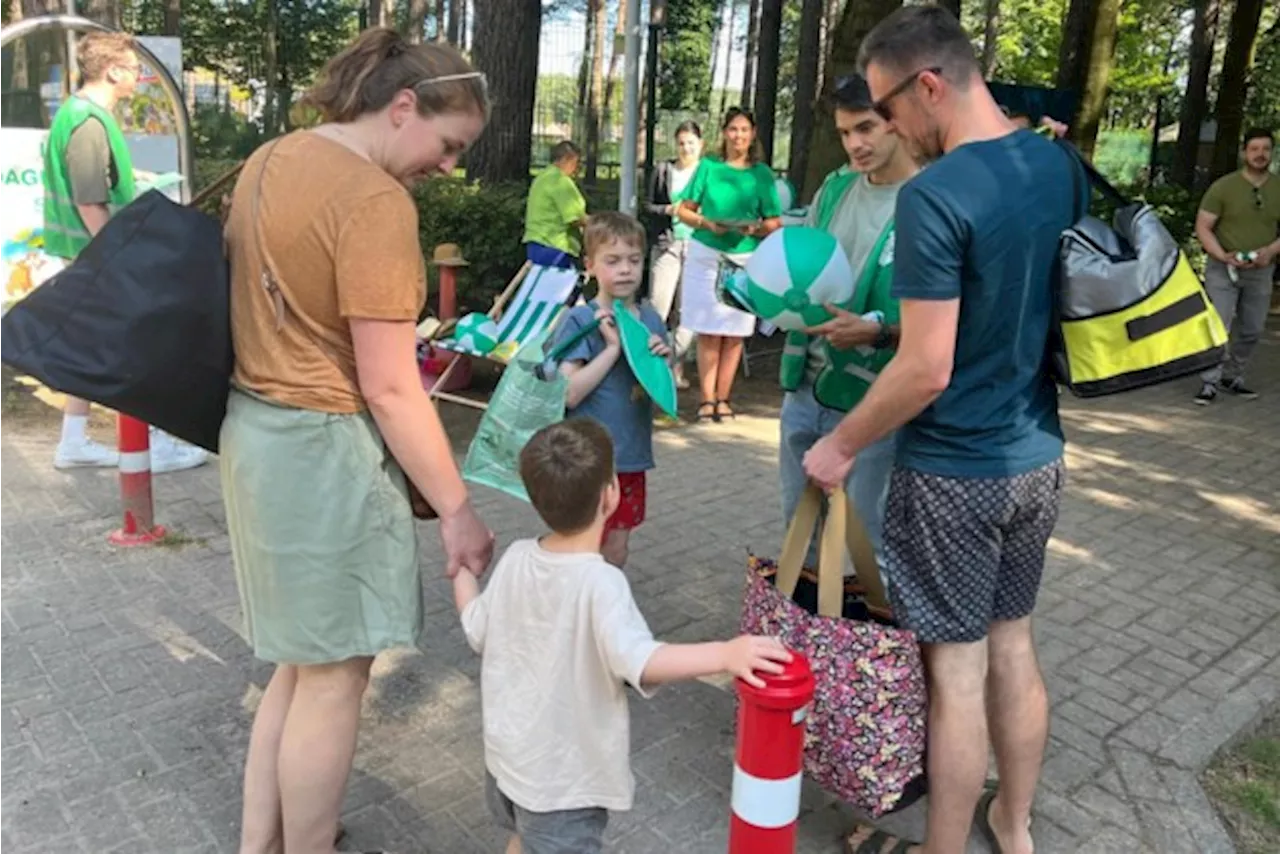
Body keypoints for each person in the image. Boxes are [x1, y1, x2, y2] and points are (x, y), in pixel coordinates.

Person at [802, 7, 1084, 854]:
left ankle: (944, 847)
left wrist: (840, 443)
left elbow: (926, 366)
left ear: (929, 85)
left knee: (955, 672)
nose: (886, 128)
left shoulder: (934, 197)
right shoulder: (1056, 163)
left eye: (888, 109)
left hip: (956, 471)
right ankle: (1017, 823)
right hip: (1037, 456)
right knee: (1014, 644)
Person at [219, 28, 495, 854]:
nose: (449, 166)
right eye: (448, 145)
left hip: (254, 433)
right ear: (402, 106)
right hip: (324, 452)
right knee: (336, 677)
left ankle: (257, 844)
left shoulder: (272, 156)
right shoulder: (376, 202)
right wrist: (457, 510)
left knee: (298, 664)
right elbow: (387, 383)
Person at [452, 418, 791, 854]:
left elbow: (474, 626)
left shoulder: (517, 558)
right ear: (610, 494)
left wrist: (461, 570)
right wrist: (727, 653)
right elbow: (642, 660)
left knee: (522, 839)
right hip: (564, 785)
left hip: (506, 764)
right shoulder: (602, 583)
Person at [42, 31, 208, 474]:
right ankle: (152, 441)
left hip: (82, 249)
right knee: (135, 344)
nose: (140, 76)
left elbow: (94, 183)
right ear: (113, 70)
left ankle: (73, 441)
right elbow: (88, 200)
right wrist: (116, 259)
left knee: (89, 345)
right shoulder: (89, 122)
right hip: (91, 250)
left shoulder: (77, 115)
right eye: (135, 69)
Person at [778, 73, 919, 569]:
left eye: (865, 128)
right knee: (800, 537)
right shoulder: (837, 187)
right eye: (844, 133)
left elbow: (946, 325)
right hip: (806, 385)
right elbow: (806, 268)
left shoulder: (928, 199)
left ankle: (860, 649)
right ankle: (803, 644)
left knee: (862, 549)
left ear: (897, 121)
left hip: (874, 400)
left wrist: (879, 331)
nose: (854, 144)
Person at [551, 212, 671, 569]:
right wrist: (612, 351)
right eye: (613, 260)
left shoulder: (650, 319)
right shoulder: (582, 321)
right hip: (585, 461)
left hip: (631, 459)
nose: (625, 270)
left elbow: (663, 402)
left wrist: (662, 368)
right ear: (590, 266)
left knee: (616, 550)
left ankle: (602, 617)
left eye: (634, 261)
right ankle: (574, 619)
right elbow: (568, 393)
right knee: (580, 550)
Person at [675, 107, 783, 423]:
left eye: (745, 130)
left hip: (744, 258)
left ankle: (725, 398)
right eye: (733, 129)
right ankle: (706, 400)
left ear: (753, 135)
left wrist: (755, 229)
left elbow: (774, 222)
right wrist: (708, 224)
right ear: (725, 133)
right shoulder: (708, 168)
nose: (739, 136)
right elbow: (684, 211)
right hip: (706, 254)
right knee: (709, 330)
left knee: (735, 331)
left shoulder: (762, 174)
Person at [1192, 127, 1279, 404]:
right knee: (1219, 324)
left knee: (1252, 328)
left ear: (1272, 152)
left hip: (1261, 270)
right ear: (1244, 152)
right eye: (1254, 149)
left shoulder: (1278, 187)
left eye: (1265, 149)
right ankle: (1209, 381)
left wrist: (1270, 251)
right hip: (1223, 268)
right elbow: (1203, 227)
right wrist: (1220, 255)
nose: (1260, 155)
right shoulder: (1223, 187)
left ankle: (1234, 375)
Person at [643, 120, 704, 390]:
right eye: (681, 143)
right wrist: (668, 210)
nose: (686, 148)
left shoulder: (708, 173)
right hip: (667, 245)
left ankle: (675, 367)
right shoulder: (663, 170)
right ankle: (649, 368)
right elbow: (648, 205)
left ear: (701, 145)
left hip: (699, 247)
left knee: (687, 312)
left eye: (691, 143)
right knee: (658, 307)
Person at [523, 140, 589, 270]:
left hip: (536, 244)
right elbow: (574, 218)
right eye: (577, 162)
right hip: (556, 246)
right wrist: (601, 222)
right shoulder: (561, 181)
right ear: (567, 159)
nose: (578, 168)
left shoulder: (542, 178)